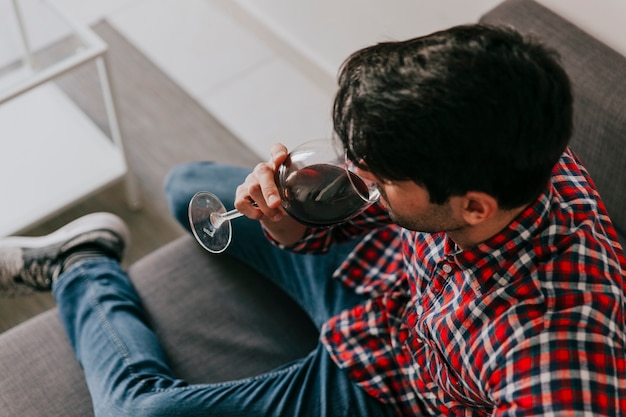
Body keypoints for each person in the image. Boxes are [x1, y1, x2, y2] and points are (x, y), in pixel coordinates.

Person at [1, 23, 624, 416]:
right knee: (185, 185)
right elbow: (366, 209)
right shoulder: (503, 138)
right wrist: (285, 221)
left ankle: (80, 263)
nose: (356, 179)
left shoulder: (551, 353)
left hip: (394, 388)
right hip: (391, 295)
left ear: (474, 206)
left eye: (376, 179)